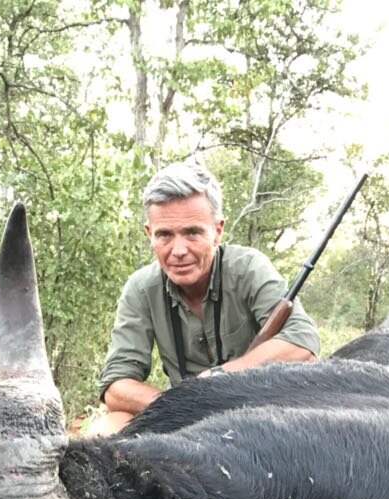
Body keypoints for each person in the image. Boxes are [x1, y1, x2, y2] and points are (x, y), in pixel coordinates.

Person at [87, 162, 320, 436]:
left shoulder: (248, 268)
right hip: (187, 421)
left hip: (262, 417)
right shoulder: (141, 288)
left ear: (217, 230)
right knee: (104, 429)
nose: (178, 250)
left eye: (192, 232)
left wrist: (219, 379)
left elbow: (303, 342)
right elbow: (116, 386)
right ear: (150, 234)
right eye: (165, 235)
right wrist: (182, 404)